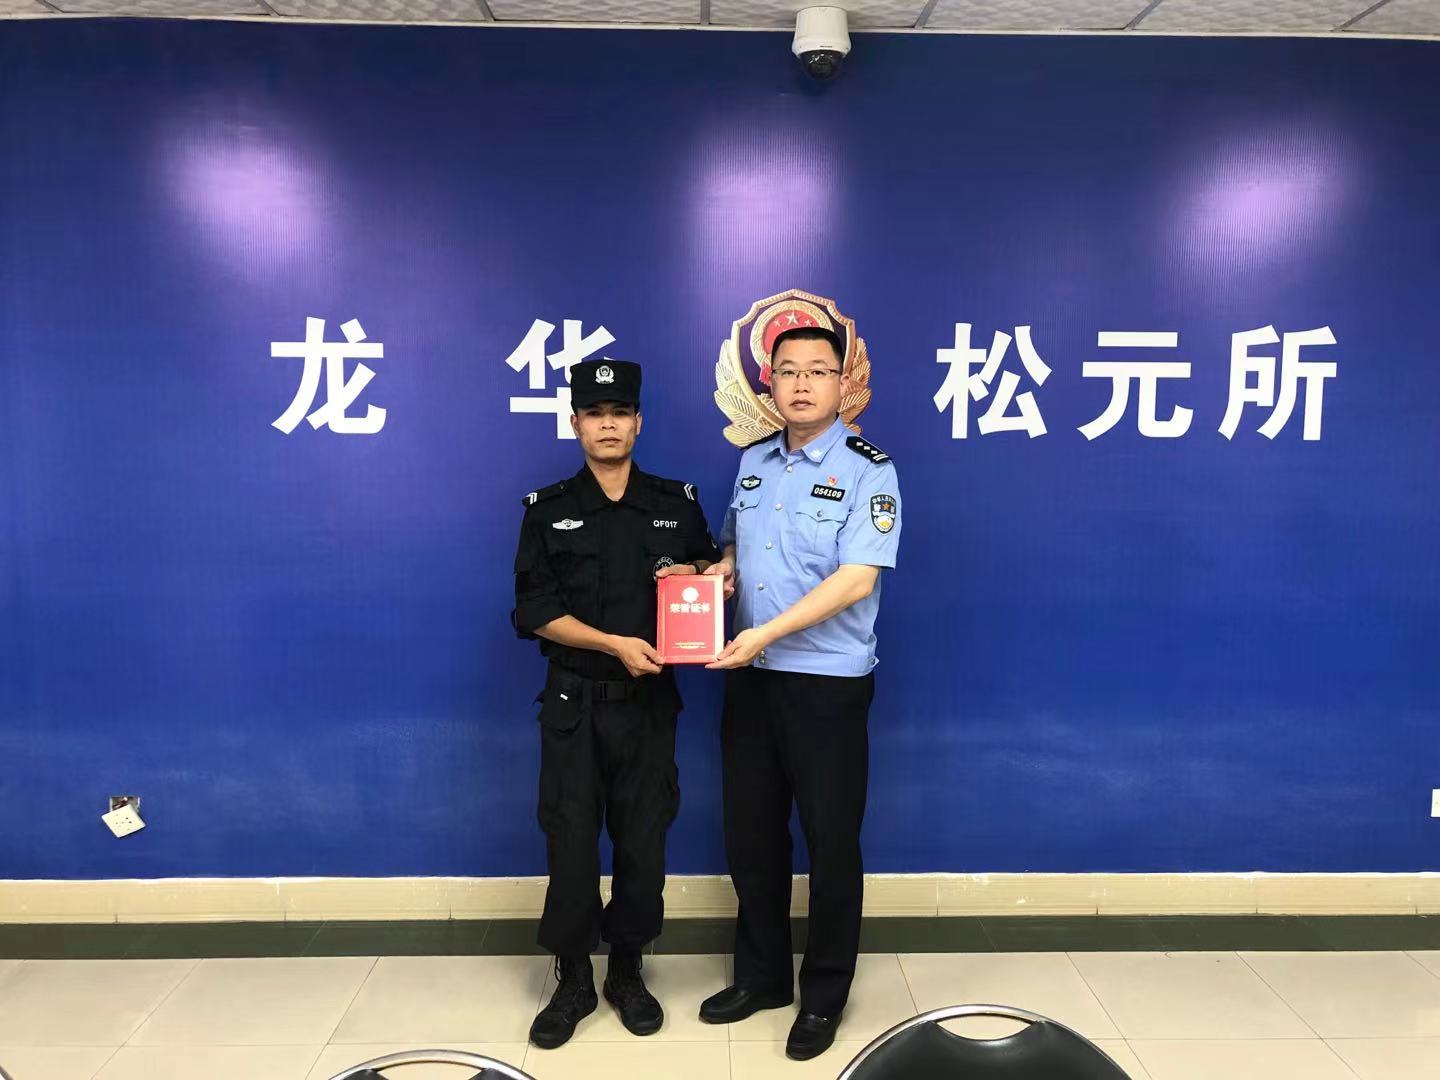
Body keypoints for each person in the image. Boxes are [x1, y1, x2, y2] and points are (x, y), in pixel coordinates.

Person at [698, 326, 902, 1061]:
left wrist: (765, 632)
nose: (803, 383)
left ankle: (822, 996)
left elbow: (857, 579)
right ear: (770, 384)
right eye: (788, 371)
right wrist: (723, 570)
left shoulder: (870, 471)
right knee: (751, 835)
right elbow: (733, 540)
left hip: (827, 685)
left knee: (830, 842)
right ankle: (761, 978)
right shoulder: (753, 462)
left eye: (819, 370)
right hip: (751, 681)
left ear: (843, 384)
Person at [512, 359, 720, 1049]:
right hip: (573, 704)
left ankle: (627, 970)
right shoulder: (548, 510)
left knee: (643, 843)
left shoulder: (675, 504)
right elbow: (535, 612)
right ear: (576, 424)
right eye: (594, 414)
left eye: (620, 413)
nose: (608, 425)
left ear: (638, 422)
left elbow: (709, 576)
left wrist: (708, 577)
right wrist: (611, 643)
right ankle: (573, 977)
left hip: (648, 705)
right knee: (570, 844)